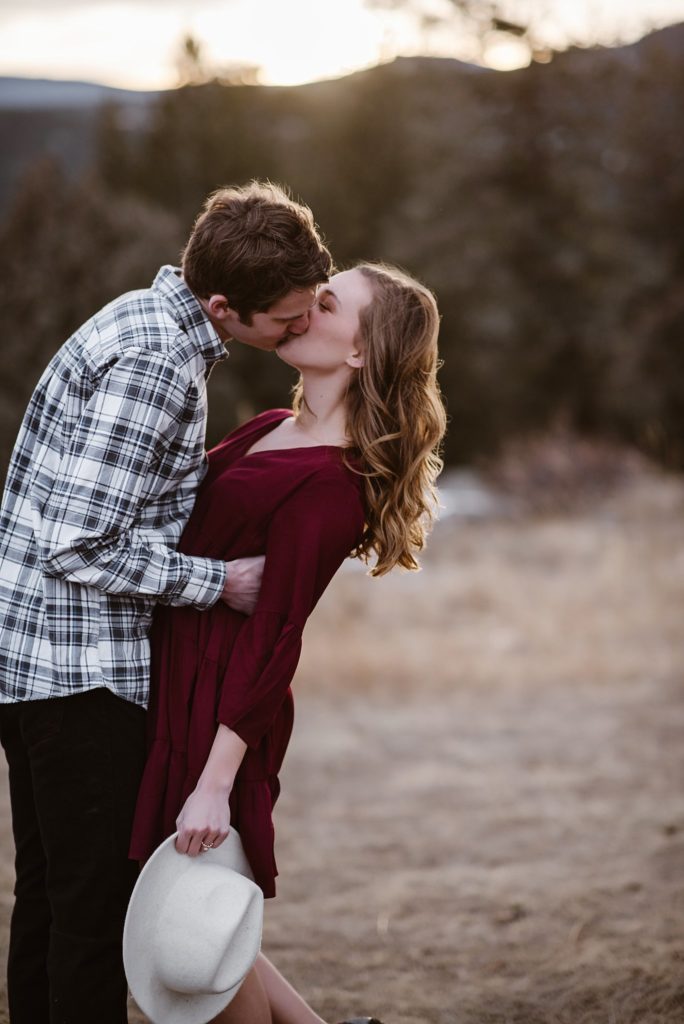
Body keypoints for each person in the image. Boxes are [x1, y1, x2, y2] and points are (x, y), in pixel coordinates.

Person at [0, 180, 332, 1024]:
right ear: (223, 306)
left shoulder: (142, 323)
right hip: (80, 674)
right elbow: (75, 541)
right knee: (89, 915)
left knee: (50, 892)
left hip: (37, 664)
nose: (299, 329)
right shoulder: (157, 365)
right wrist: (219, 581)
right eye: (286, 319)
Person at [129, 261, 448, 1024]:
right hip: (173, 679)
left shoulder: (333, 484)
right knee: (174, 902)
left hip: (221, 709)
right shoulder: (272, 427)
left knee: (188, 907)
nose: (305, 305)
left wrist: (214, 782)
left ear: (362, 351)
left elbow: (276, 637)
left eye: (328, 302)